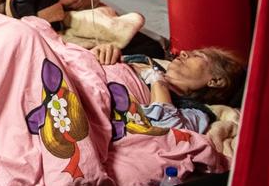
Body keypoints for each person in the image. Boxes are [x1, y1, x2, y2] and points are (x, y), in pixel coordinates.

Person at [90, 43, 246, 133]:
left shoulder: (195, 113)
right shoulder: (142, 60)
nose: (184, 53)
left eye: (198, 55)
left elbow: (165, 130)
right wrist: (102, 51)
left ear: (216, 80)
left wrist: (157, 79)